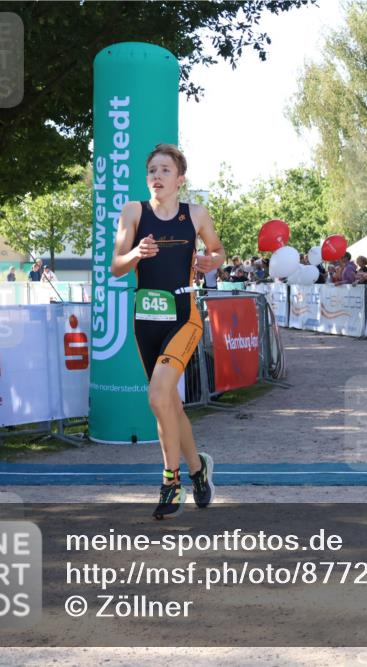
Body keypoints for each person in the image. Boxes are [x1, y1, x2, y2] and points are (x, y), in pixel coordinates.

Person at [110, 143, 223, 520]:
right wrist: (136, 254)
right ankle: (198, 470)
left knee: (158, 397)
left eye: (164, 171)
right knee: (168, 404)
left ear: (180, 179)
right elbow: (116, 266)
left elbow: (218, 252)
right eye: (152, 171)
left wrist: (211, 260)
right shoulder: (133, 213)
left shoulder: (196, 214)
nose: (157, 177)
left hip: (183, 315)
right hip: (146, 319)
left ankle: (171, 482)